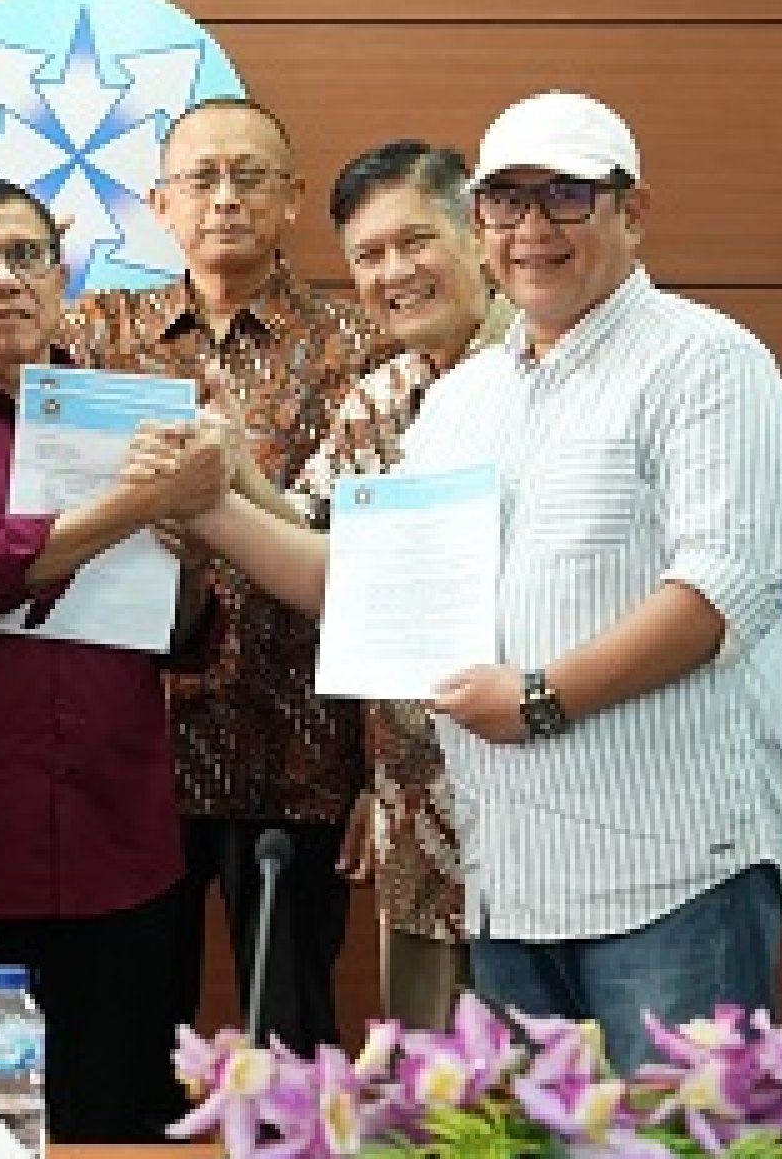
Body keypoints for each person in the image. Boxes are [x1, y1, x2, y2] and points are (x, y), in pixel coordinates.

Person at [188, 91, 782, 1072]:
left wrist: (536, 698)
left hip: (675, 871)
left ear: (632, 211)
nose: (531, 229)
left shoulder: (708, 364)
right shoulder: (464, 401)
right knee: (518, 1137)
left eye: (565, 196)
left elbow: (716, 592)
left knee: (679, 1133)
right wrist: (203, 505)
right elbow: (371, 578)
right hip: (512, 884)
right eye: (506, 201)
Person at [0, 178, 229, 1140]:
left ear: (62, 280)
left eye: (26, 256)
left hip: (124, 851)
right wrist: (141, 504)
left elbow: (183, 639)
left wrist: (187, 561)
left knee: (124, 1132)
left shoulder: (136, 421)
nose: (4, 280)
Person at [59, 97, 384, 1052]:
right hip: (132, 750)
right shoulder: (94, 334)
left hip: (301, 753)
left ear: (291, 199)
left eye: (251, 177)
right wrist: (36, 259)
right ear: (160, 204)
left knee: (292, 1044)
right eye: (201, 178)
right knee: (123, 1039)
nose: (226, 198)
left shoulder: (357, 346)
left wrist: (383, 768)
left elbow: (387, 568)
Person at [220, 140, 511, 1033]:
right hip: (418, 808)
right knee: (434, 1086)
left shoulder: (544, 369)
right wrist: (229, 470)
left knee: (561, 1082)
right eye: (368, 256)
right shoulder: (380, 396)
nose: (394, 273)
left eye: (415, 242)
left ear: (478, 235)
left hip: (548, 803)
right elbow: (315, 541)